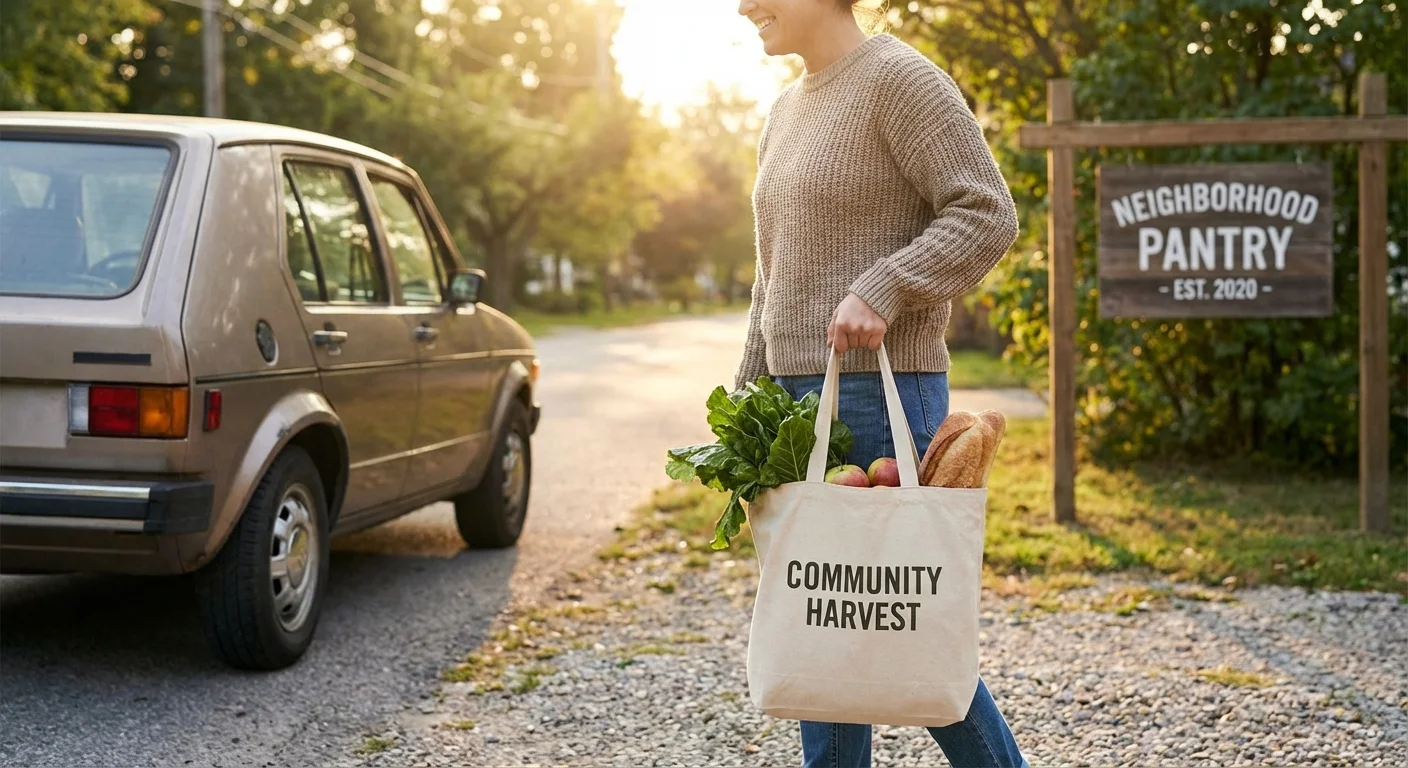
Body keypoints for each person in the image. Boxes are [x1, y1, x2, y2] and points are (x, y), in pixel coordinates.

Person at [733, 1, 1027, 766]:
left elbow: (988, 213)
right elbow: (772, 276)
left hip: (879, 392)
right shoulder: (785, 110)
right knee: (823, 630)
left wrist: (886, 287)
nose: (742, 6)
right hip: (794, 404)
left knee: (905, 629)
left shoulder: (900, 81)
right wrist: (747, 396)